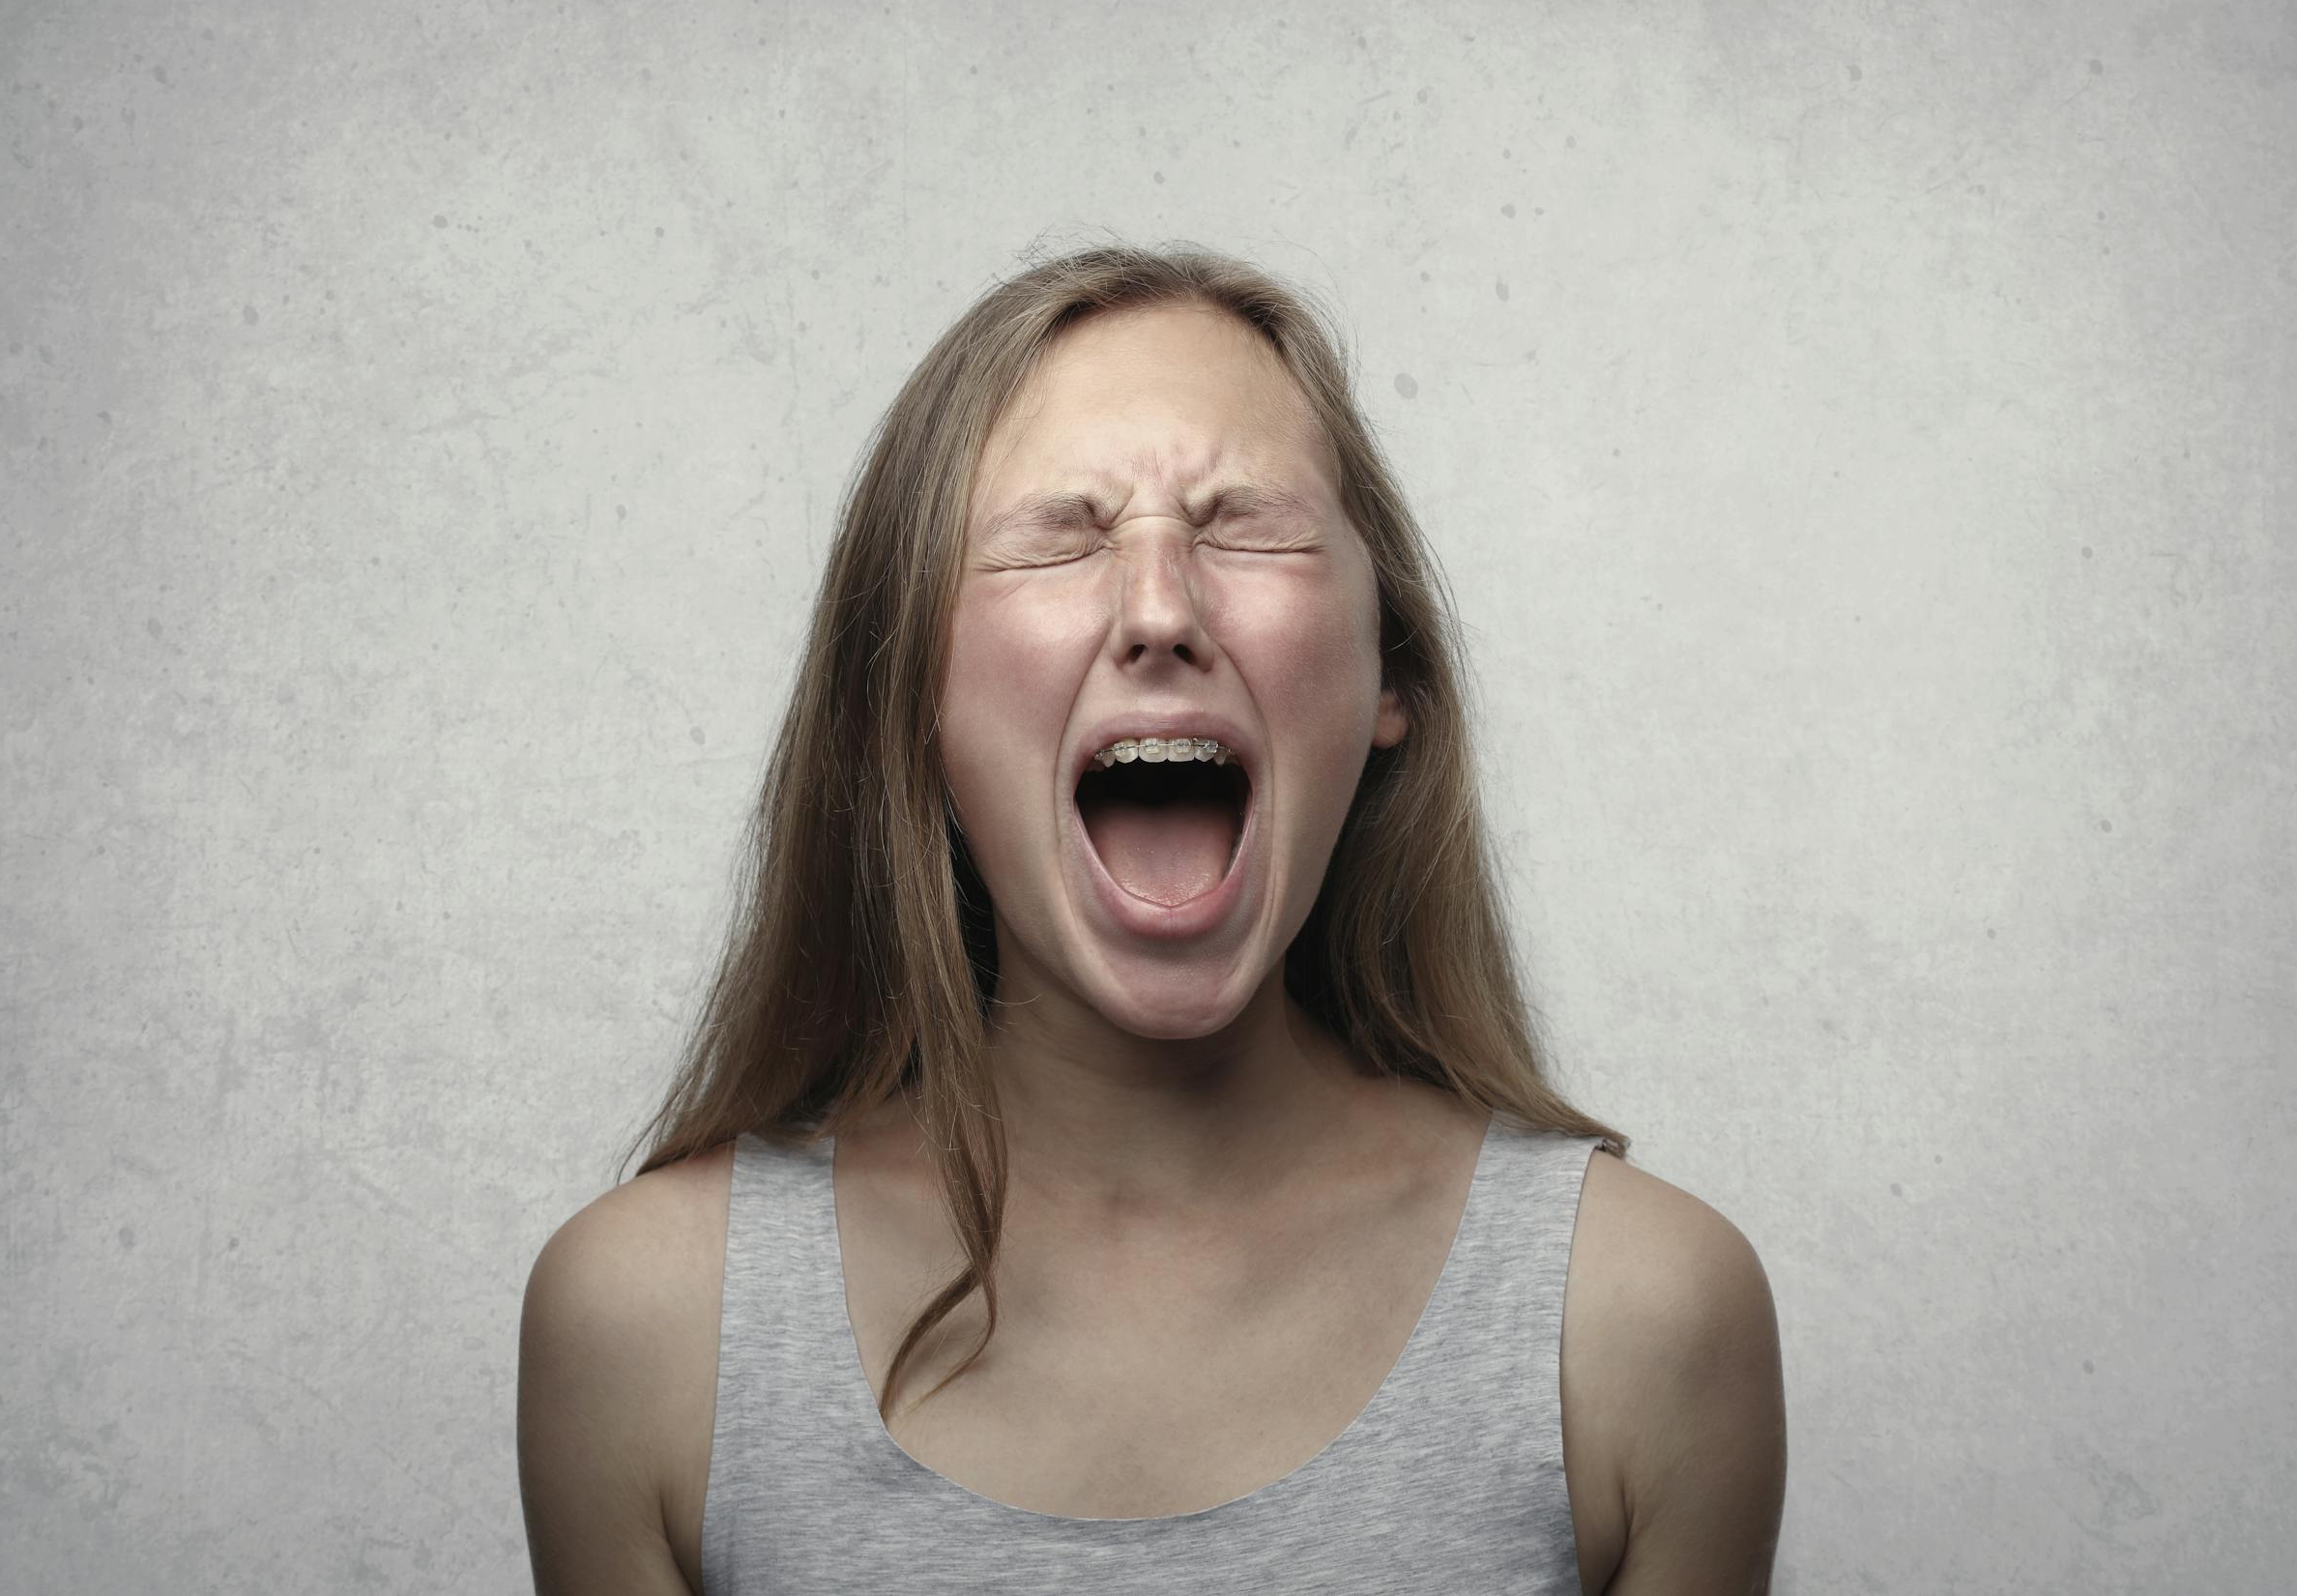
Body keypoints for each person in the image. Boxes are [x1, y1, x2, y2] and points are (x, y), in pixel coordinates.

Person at [516, 242, 1787, 1593]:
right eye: (1059, 535)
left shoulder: (1641, 1323)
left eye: (1247, 522)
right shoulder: (650, 1334)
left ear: (1387, 680)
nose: (1161, 608)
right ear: (908, 705)